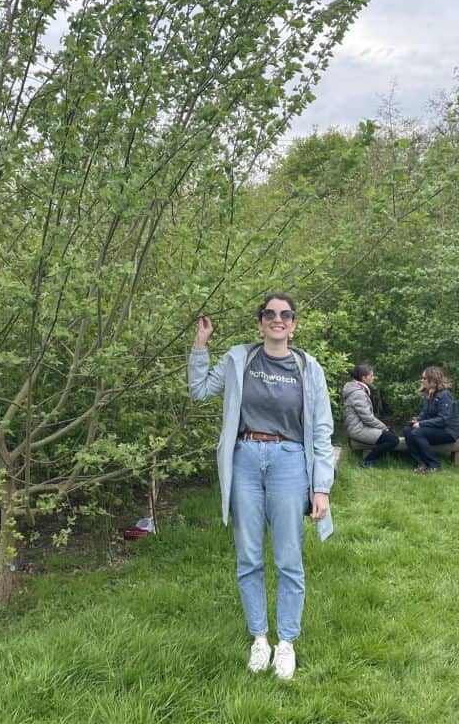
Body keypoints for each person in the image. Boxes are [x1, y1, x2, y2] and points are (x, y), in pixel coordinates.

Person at [188, 292, 335, 681]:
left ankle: (286, 643)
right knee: (249, 556)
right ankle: (259, 638)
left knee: (289, 557)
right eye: (270, 314)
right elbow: (199, 390)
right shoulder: (240, 359)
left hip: (289, 462)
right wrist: (200, 346)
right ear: (260, 321)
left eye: (285, 314)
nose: (277, 319)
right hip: (246, 460)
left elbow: (321, 429)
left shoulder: (308, 368)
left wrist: (322, 486)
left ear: (294, 323)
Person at [402, 365, 459, 474]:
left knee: (418, 432)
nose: (422, 380)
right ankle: (421, 463)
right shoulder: (429, 393)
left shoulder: (445, 395)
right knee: (407, 430)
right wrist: (417, 419)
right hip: (435, 428)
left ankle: (434, 464)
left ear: (433, 379)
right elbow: (425, 413)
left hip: (448, 431)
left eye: (424, 378)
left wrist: (421, 424)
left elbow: (443, 420)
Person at [341, 365, 399, 467]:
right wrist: (383, 427)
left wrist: (383, 428)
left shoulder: (358, 390)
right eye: (371, 375)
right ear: (364, 378)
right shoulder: (358, 393)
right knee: (392, 439)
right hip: (357, 429)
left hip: (360, 427)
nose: (373, 377)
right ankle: (367, 461)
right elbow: (367, 418)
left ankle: (375, 459)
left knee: (391, 434)